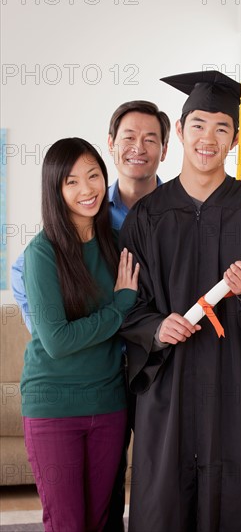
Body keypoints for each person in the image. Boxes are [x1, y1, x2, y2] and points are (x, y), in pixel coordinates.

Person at [11, 99, 241, 530]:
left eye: (151, 139)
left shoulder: (190, 211)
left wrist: (240, 192)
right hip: (93, 378)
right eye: (128, 137)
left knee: (138, 488)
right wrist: (72, 340)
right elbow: (34, 297)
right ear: (112, 144)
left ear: (168, 146)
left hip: (152, 377)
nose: (139, 147)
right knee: (81, 511)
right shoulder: (85, 222)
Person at [118, 70, 241, 532]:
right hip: (170, 384)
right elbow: (126, 302)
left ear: (235, 139)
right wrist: (156, 329)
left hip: (234, 386)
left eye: (222, 128)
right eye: (198, 125)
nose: (209, 138)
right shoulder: (147, 215)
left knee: (237, 501)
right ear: (180, 132)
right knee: (165, 502)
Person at [20, 137, 140, 531]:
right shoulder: (43, 252)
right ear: (55, 190)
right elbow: (56, 340)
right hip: (54, 406)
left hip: (108, 403)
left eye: (93, 176)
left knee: (100, 519)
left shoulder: (117, 245)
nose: (86, 189)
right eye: (71, 181)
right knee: (68, 523)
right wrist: (118, 307)